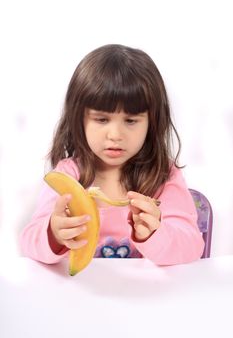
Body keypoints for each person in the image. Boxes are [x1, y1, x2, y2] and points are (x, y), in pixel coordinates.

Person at [19, 44, 204, 265]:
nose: (115, 135)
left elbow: (192, 246)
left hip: (146, 295)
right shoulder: (68, 175)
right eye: (102, 119)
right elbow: (30, 241)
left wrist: (157, 233)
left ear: (152, 122)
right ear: (80, 119)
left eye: (131, 121)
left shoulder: (163, 176)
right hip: (80, 295)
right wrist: (54, 233)